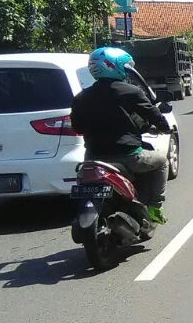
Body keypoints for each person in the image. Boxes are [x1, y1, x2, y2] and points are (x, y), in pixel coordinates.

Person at [70, 47, 171, 222]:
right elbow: (153, 115)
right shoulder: (131, 91)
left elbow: (77, 127)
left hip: (93, 158)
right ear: (114, 66)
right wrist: (164, 127)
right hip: (128, 156)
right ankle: (155, 206)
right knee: (162, 162)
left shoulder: (81, 97)